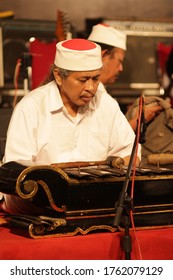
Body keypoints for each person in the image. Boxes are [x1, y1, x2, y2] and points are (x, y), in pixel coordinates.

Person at [0, 38, 141, 215]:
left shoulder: (106, 105)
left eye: (96, 79)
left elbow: (131, 154)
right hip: (38, 209)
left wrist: (123, 164)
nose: (91, 87)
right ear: (59, 76)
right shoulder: (31, 107)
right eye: (83, 80)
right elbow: (18, 172)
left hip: (92, 205)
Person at [88, 23, 163, 131]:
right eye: (119, 61)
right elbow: (107, 141)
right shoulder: (92, 94)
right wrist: (139, 120)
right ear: (103, 55)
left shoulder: (101, 94)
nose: (121, 68)